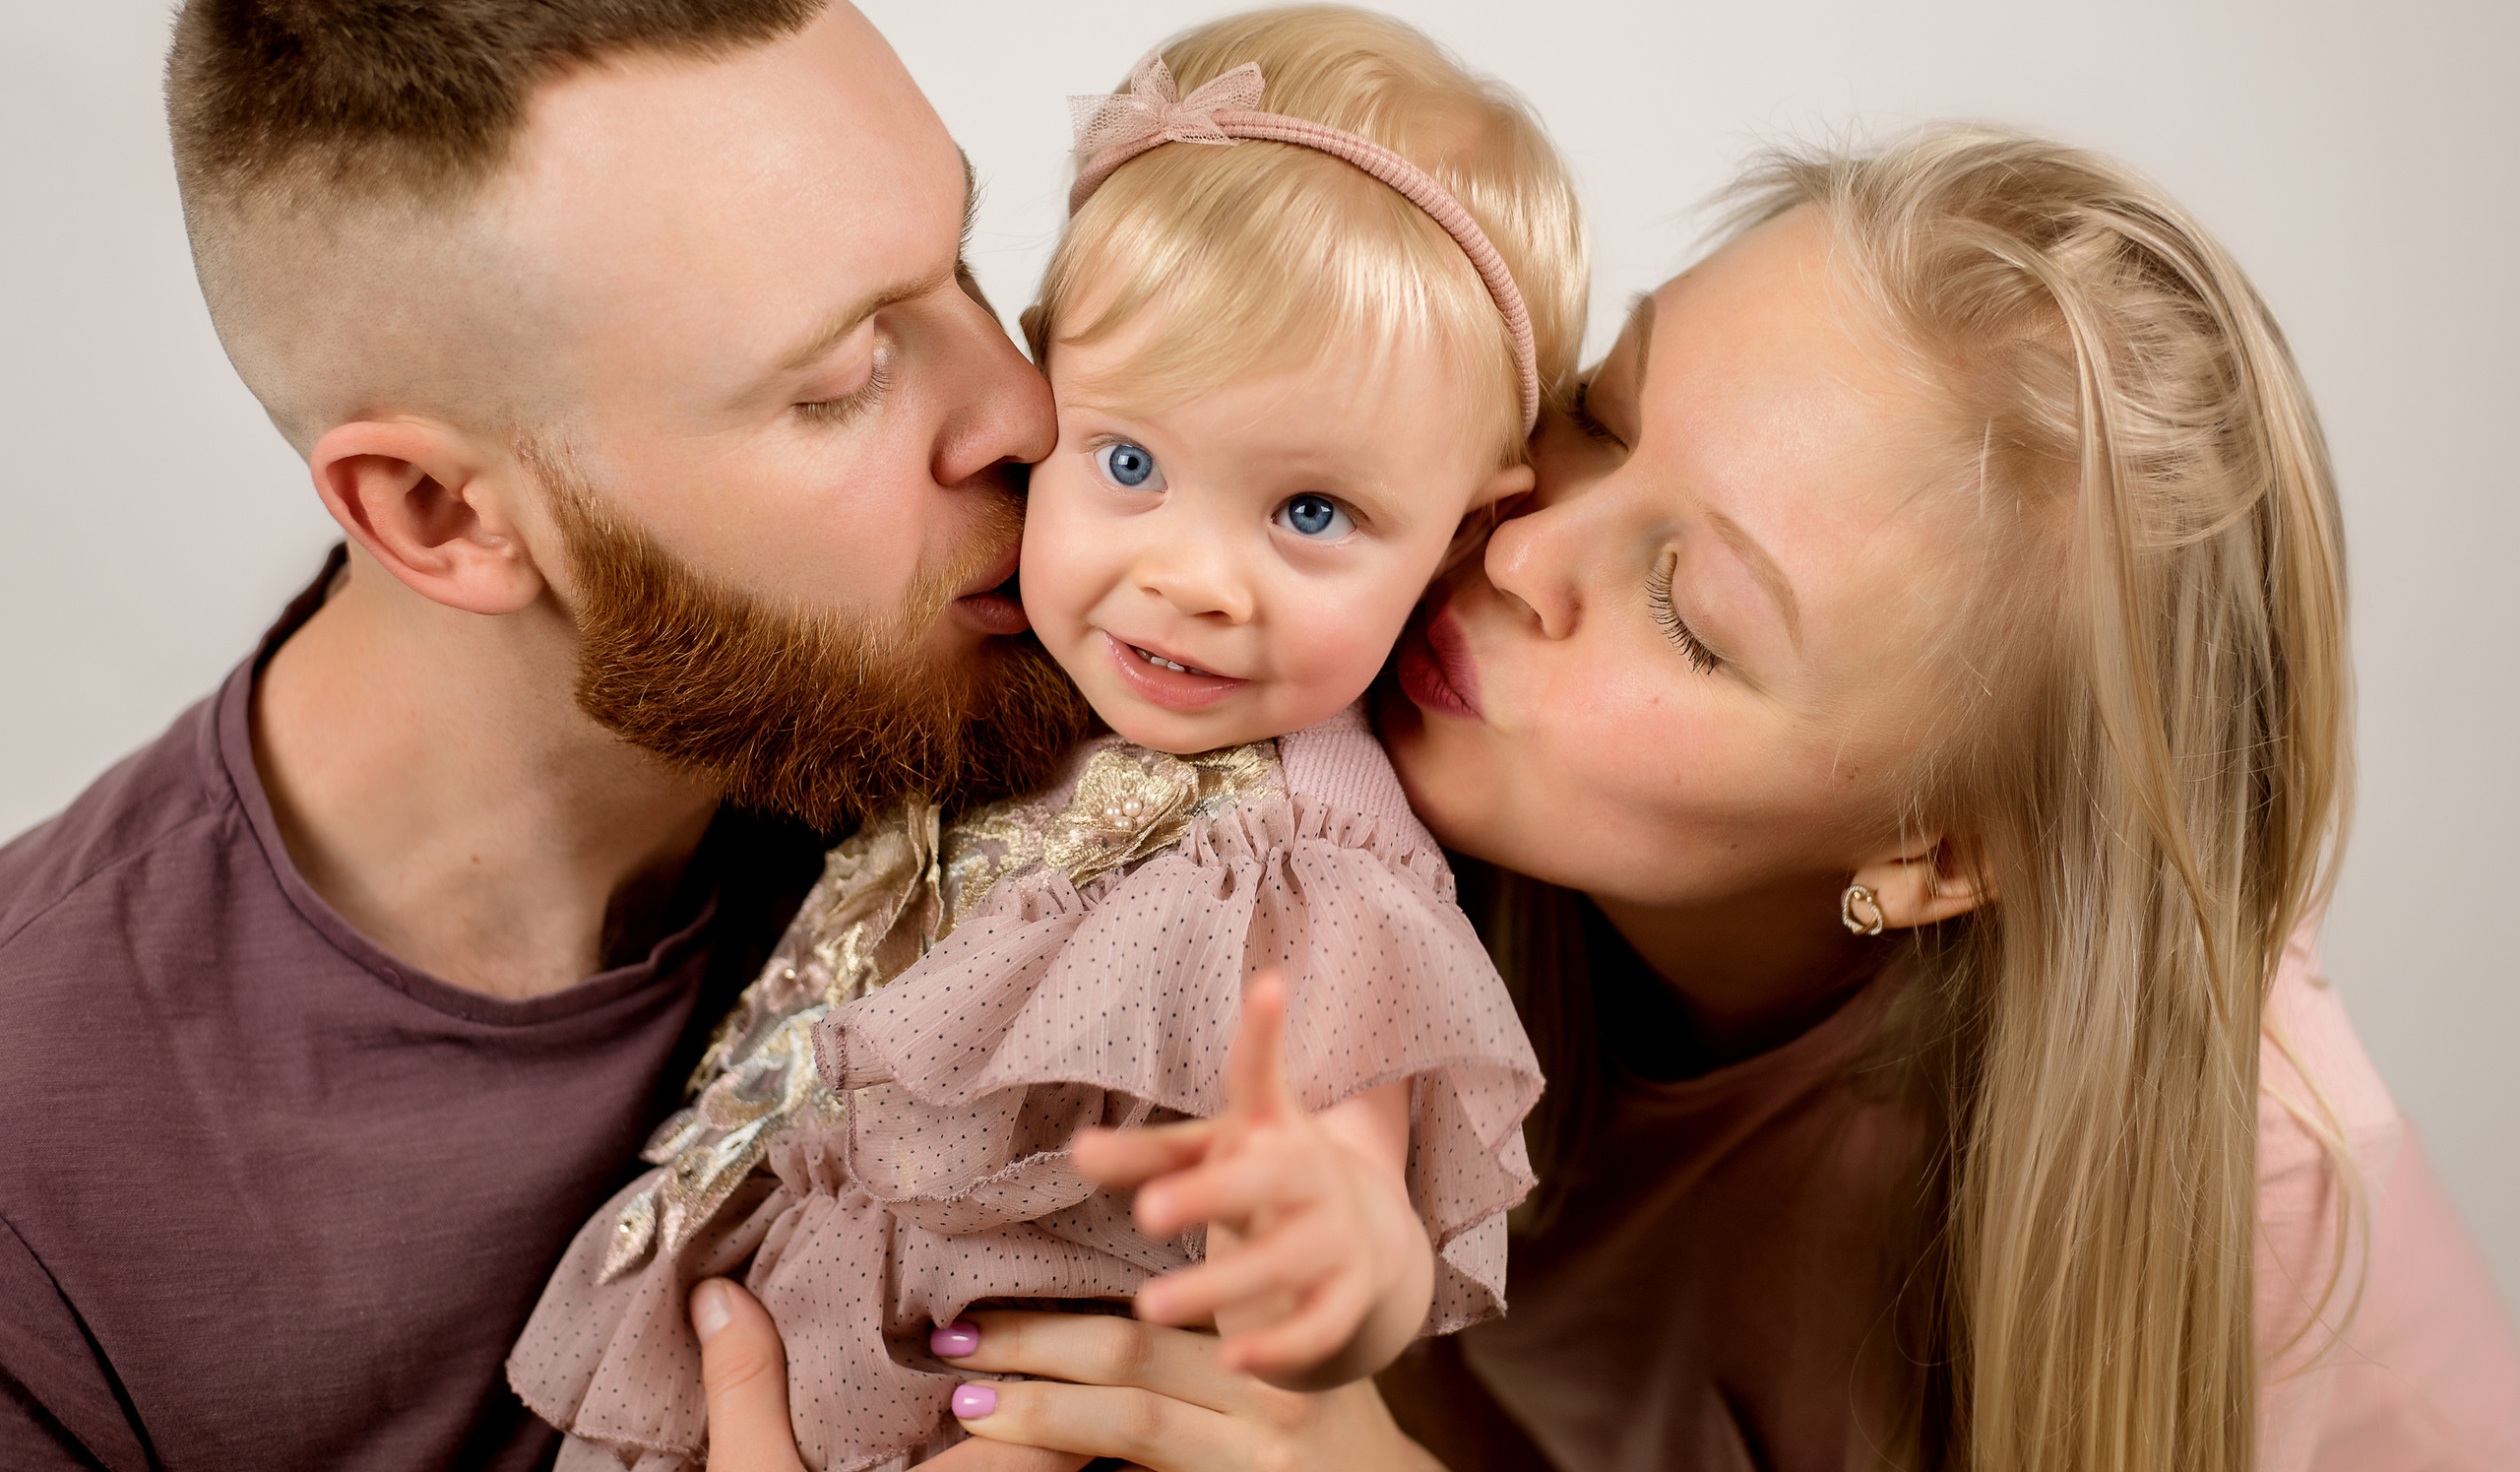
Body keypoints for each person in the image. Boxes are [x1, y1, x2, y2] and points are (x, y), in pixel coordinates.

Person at [695, 128, 2520, 1469]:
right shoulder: (1306, 768)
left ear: (1937, 850)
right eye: (1609, 408)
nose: (1524, 547)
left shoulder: (2273, 1234)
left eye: (1695, 615)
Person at [0, 0, 1087, 1471]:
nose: (1022, 410)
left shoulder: (1082, 738)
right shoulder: (36, 1188)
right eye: (839, 377)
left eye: (954, 264)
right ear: (441, 514)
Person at [508, 6, 1582, 1472]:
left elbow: (1346, 1192)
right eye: (1131, 461)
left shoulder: (1308, 854)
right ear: (1044, 386)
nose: (1193, 578)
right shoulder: (991, 680)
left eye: (1312, 512)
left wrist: (1335, 1260)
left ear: (1460, 531)